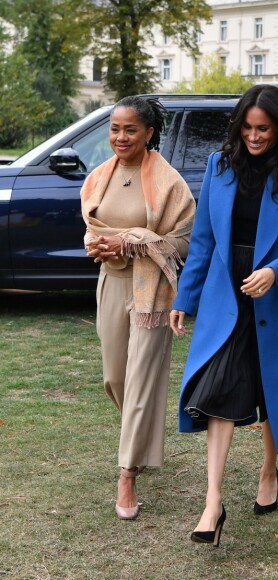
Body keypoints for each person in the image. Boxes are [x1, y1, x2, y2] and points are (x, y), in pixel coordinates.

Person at [169, 84, 278, 546]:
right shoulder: (219, 167)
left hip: (273, 297)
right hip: (225, 293)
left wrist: (275, 272)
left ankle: (270, 470)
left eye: (263, 129)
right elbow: (203, 241)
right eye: (248, 127)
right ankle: (212, 503)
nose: (254, 137)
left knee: (271, 387)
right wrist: (185, 297)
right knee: (218, 387)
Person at [81, 96, 196, 520]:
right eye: (114, 128)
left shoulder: (169, 182)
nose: (120, 137)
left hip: (153, 291)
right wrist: (101, 245)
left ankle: (127, 473)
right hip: (112, 282)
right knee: (115, 377)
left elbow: (184, 239)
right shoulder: (98, 177)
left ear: (149, 133)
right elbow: (92, 228)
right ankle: (139, 437)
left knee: (144, 379)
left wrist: (132, 240)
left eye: (130, 129)